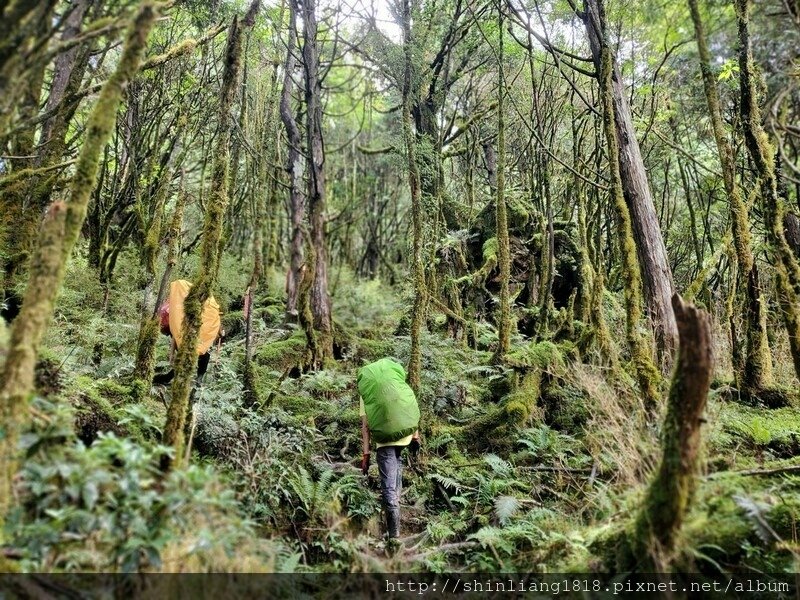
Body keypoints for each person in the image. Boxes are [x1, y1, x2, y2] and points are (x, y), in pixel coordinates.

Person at [358, 357, 421, 545]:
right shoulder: (396, 383)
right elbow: (410, 407)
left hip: (384, 442)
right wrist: (415, 435)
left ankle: (394, 536)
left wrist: (366, 454)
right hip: (404, 437)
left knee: (387, 488)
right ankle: (396, 517)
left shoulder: (367, 392)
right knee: (396, 466)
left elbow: (366, 426)